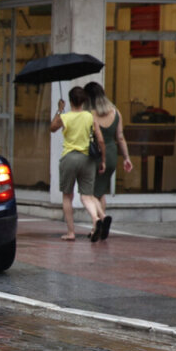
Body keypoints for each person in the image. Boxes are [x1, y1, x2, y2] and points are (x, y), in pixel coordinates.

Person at [50, 86, 107, 241]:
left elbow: (52, 128)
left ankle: (71, 232)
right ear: (84, 101)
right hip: (87, 159)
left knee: (67, 196)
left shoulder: (66, 117)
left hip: (69, 158)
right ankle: (96, 219)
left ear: (70, 101)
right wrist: (102, 160)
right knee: (87, 196)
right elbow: (100, 140)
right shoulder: (90, 116)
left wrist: (60, 110)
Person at [86, 81, 133, 240]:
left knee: (90, 193)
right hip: (112, 155)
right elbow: (120, 137)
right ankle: (96, 228)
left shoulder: (90, 114)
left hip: (96, 155)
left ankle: (101, 220)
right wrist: (126, 158)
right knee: (100, 192)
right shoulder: (116, 112)